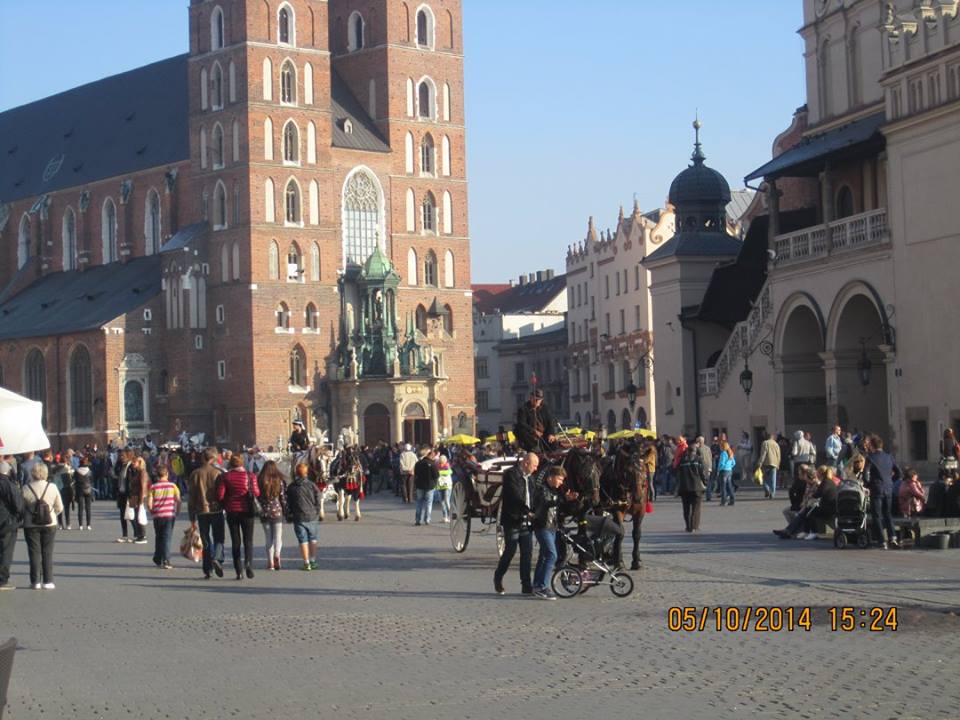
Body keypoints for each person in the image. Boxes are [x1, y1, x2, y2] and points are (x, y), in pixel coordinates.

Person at [494, 452, 539, 594]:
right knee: (510, 550)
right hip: (512, 519)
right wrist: (527, 510)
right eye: (534, 465)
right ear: (526, 463)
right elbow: (515, 495)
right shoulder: (511, 475)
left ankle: (526, 585)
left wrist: (537, 510)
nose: (536, 469)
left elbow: (534, 496)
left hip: (526, 520)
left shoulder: (531, 478)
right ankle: (498, 577)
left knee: (527, 552)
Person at [531, 466, 575, 600]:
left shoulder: (554, 491)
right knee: (552, 555)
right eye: (560, 479)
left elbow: (558, 507)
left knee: (544, 556)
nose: (561, 482)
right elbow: (545, 504)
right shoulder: (541, 489)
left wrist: (568, 500)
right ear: (551, 477)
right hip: (542, 526)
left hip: (552, 527)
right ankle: (543, 587)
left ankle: (537, 585)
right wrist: (562, 499)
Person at [217, 454, 261, 579]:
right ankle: (248, 563)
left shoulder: (225, 476)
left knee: (235, 541)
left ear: (230, 463)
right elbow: (257, 492)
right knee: (248, 540)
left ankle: (239, 571)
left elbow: (220, 495)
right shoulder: (250, 476)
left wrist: (226, 501)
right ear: (242, 463)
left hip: (232, 511)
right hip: (247, 511)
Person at [22, 462, 64, 590]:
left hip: (31, 524)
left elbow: (21, 508)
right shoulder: (52, 487)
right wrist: (52, 514)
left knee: (34, 552)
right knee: (47, 552)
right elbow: (60, 507)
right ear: (46, 474)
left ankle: (35, 581)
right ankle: (48, 580)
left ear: (33, 473)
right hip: (49, 523)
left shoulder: (26, 488)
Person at [188, 448, 226, 580]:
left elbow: (191, 497)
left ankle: (207, 569)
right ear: (213, 458)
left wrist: (191, 517)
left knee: (205, 540)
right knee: (219, 537)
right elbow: (222, 493)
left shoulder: (195, 474)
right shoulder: (218, 473)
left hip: (201, 511)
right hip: (216, 509)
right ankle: (217, 558)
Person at [864, 434, 901, 549]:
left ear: (872, 446)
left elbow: (865, 475)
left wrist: (869, 485)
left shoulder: (870, 458)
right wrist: (890, 480)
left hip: (876, 489)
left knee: (877, 515)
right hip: (888, 488)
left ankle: (882, 541)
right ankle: (893, 538)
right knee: (888, 514)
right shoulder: (889, 456)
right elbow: (899, 473)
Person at [286, 462, 320, 571]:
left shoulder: (292, 487)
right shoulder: (312, 485)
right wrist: (317, 510)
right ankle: (313, 560)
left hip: (299, 516)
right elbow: (318, 498)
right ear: (306, 472)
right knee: (313, 539)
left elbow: (289, 502)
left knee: (303, 540)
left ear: (296, 473)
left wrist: (289, 514)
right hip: (312, 515)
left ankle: (306, 563)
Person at [147, 465, 181, 569]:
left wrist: (152, 511)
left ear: (157, 475)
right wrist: (177, 511)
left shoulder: (153, 487)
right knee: (167, 537)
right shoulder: (172, 486)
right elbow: (178, 500)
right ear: (167, 474)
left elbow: (149, 503)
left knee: (159, 536)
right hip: (169, 515)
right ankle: (166, 559)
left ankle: (158, 557)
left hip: (158, 515)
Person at [258, 460, 287, 570]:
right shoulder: (279, 481)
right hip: (277, 511)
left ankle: (270, 562)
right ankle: (277, 555)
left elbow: (257, 496)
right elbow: (283, 497)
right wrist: (285, 510)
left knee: (268, 538)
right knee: (278, 537)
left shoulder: (260, 480)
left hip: (264, 511)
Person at [0, 461, 24, 590]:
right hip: (7, 522)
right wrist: (19, 517)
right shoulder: (9, 485)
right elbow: (18, 504)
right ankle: (2, 580)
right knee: (6, 551)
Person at [514, 389, 558, 453]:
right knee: (521, 430)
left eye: (538, 399)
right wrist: (534, 431)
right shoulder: (523, 409)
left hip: (543, 435)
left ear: (541, 400)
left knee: (553, 444)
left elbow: (550, 422)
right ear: (530, 398)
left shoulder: (545, 408)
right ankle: (534, 448)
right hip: (530, 435)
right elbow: (521, 423)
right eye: (535, 399)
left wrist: (551, 433)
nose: (536, 401)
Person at [676, 443, 706, 533]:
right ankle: (694, 526)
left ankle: (688, 526)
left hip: (684, 487)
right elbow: (702, 473)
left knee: (686, 508)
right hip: (697, 487)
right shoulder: (698, 459)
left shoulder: (682, 461)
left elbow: (678, 473)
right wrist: (705, 482)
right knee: (696, 508)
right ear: (695, 451)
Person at [126, 455, 150, 544]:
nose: (132, 463)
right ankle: (138, 535)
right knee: (134, 516)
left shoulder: (143, 473)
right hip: (134, 496)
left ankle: (143, 536)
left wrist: (141, 501)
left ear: (140, 463)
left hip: (139, 497)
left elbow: (143, 487)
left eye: (134, 462)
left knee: (140, 516)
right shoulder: (137, 472)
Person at [413, 447, 438, 526]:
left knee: (419, 502)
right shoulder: (432, 464)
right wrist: (434, 483)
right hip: (430, 486)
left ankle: (417, 520)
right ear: (431, 456)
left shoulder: (418, 463)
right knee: (429, 503)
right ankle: (427, 519)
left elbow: (416, 474)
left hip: (420, 485)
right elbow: (436, 475)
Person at [757, 432, 781, 499]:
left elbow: (763, 453)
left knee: (764, 478)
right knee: (773, 479)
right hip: (775, 463)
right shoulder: (776, 444)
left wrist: (760, 462)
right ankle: (772, 493)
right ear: (772, 437)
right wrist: (778, 464)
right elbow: (779, 455)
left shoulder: (765, 443)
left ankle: (767, 489)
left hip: (767, 463)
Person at [74, 456, 94, 530]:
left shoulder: (77, 471)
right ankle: (88, 525)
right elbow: (92, 481)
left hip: (80, 490)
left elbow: (75, 481)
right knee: (88, 508)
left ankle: (80, 525)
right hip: (88, 490)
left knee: (80, 508)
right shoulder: (90, 471)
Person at [717, 441, 736, 506]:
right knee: (729, 486)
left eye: (721, 446)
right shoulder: (730, 452)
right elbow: (734, 463)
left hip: (723, 471)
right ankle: (732, 500)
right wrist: (729, 467)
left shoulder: (723, 453)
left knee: (723, 487)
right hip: (729, 471)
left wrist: (718, 470)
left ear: (723, 446)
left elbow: (721, 463)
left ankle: (723, 501)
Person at [436, 454, 453, 523]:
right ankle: (445, 517)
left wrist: (439, 472)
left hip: (447, 485)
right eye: (440, 461)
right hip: (440, 485)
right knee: (442, 502)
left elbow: (449, 472)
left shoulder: (447, 465)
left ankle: (450, 516)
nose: (441, 462)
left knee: (447, 501)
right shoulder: (437, 465)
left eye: (442, 461)